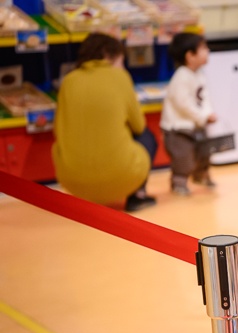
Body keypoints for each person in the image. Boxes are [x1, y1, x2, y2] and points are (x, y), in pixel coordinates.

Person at [52, 32, 157, 212]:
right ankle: (137, 196)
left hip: (72, 182)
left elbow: (58, 129)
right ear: (108, 55)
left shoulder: (68, 81)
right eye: (121, 62)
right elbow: (139, 126)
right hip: (121, 176)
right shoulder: (120, 77)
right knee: (147, 137)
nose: (122, 68)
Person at [161, 33, 217, 196]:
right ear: (190, 56)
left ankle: (201, 175)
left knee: (204, 152)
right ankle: (178, 182)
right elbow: (183, 104)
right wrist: (202, 116)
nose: (208, 51)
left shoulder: (199, 74)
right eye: (203, 49)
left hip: (196, 124)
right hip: (178, 128)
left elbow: (204, 97)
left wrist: (208, 113)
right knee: (183, 157)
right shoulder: (181, 77)